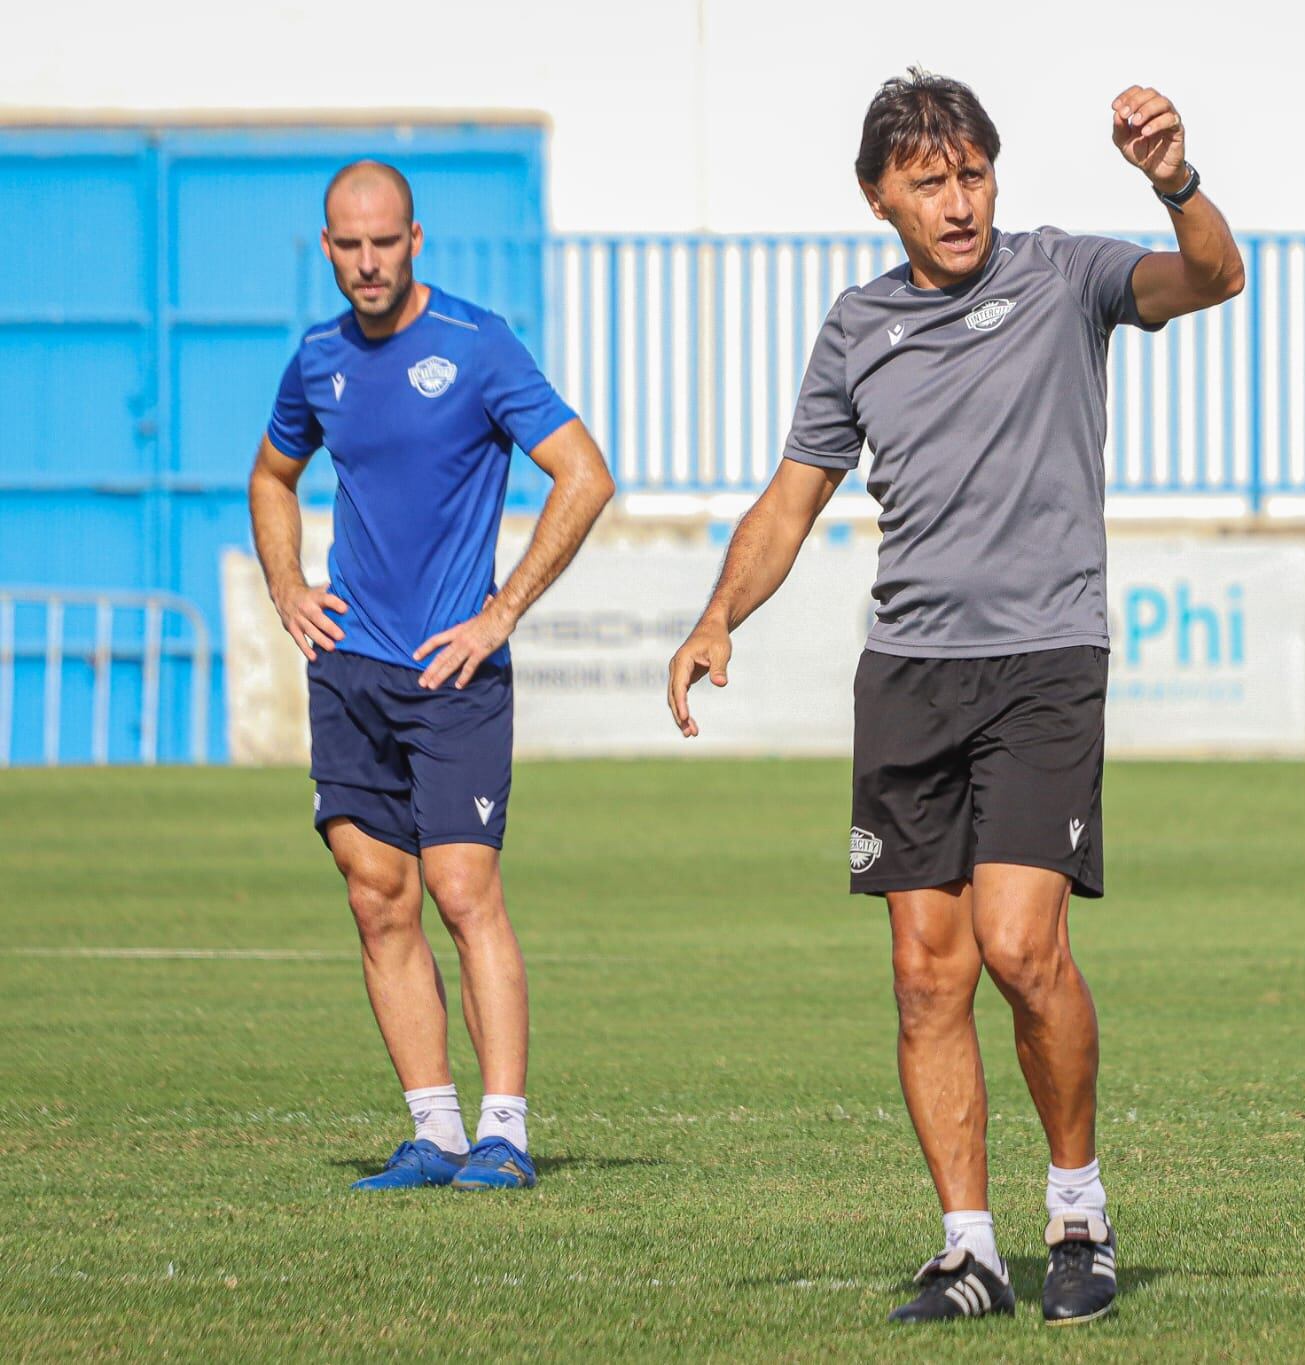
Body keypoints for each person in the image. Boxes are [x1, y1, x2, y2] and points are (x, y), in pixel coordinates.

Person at [666, 70, 1242, 1323]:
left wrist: (1174, 181)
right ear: (879, 196)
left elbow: (1209, 279)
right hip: (910, 675)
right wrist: (719, 616)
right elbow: (791, 499)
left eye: (971, 171)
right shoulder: (852, 327)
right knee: (927, 977)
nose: (958, 200)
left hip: (1042, 662)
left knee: (1021, 949)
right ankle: (969, 1250)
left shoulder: (1063, 274)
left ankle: (1077, 1213)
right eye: (927, 181)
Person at [247, 161, 614, 1192]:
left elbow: (584, 474)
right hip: (349, 665)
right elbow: (273, 475)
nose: (367, 262)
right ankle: (433, 1130)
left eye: (384, 242)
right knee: (375, 897)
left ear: (416, 240)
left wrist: (499, 614)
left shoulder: (476, 345)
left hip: (452, 672)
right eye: (348, 245)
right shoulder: (316, 359)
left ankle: (504, 1132)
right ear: (328, 248)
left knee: (462, 889)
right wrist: (289, 586)